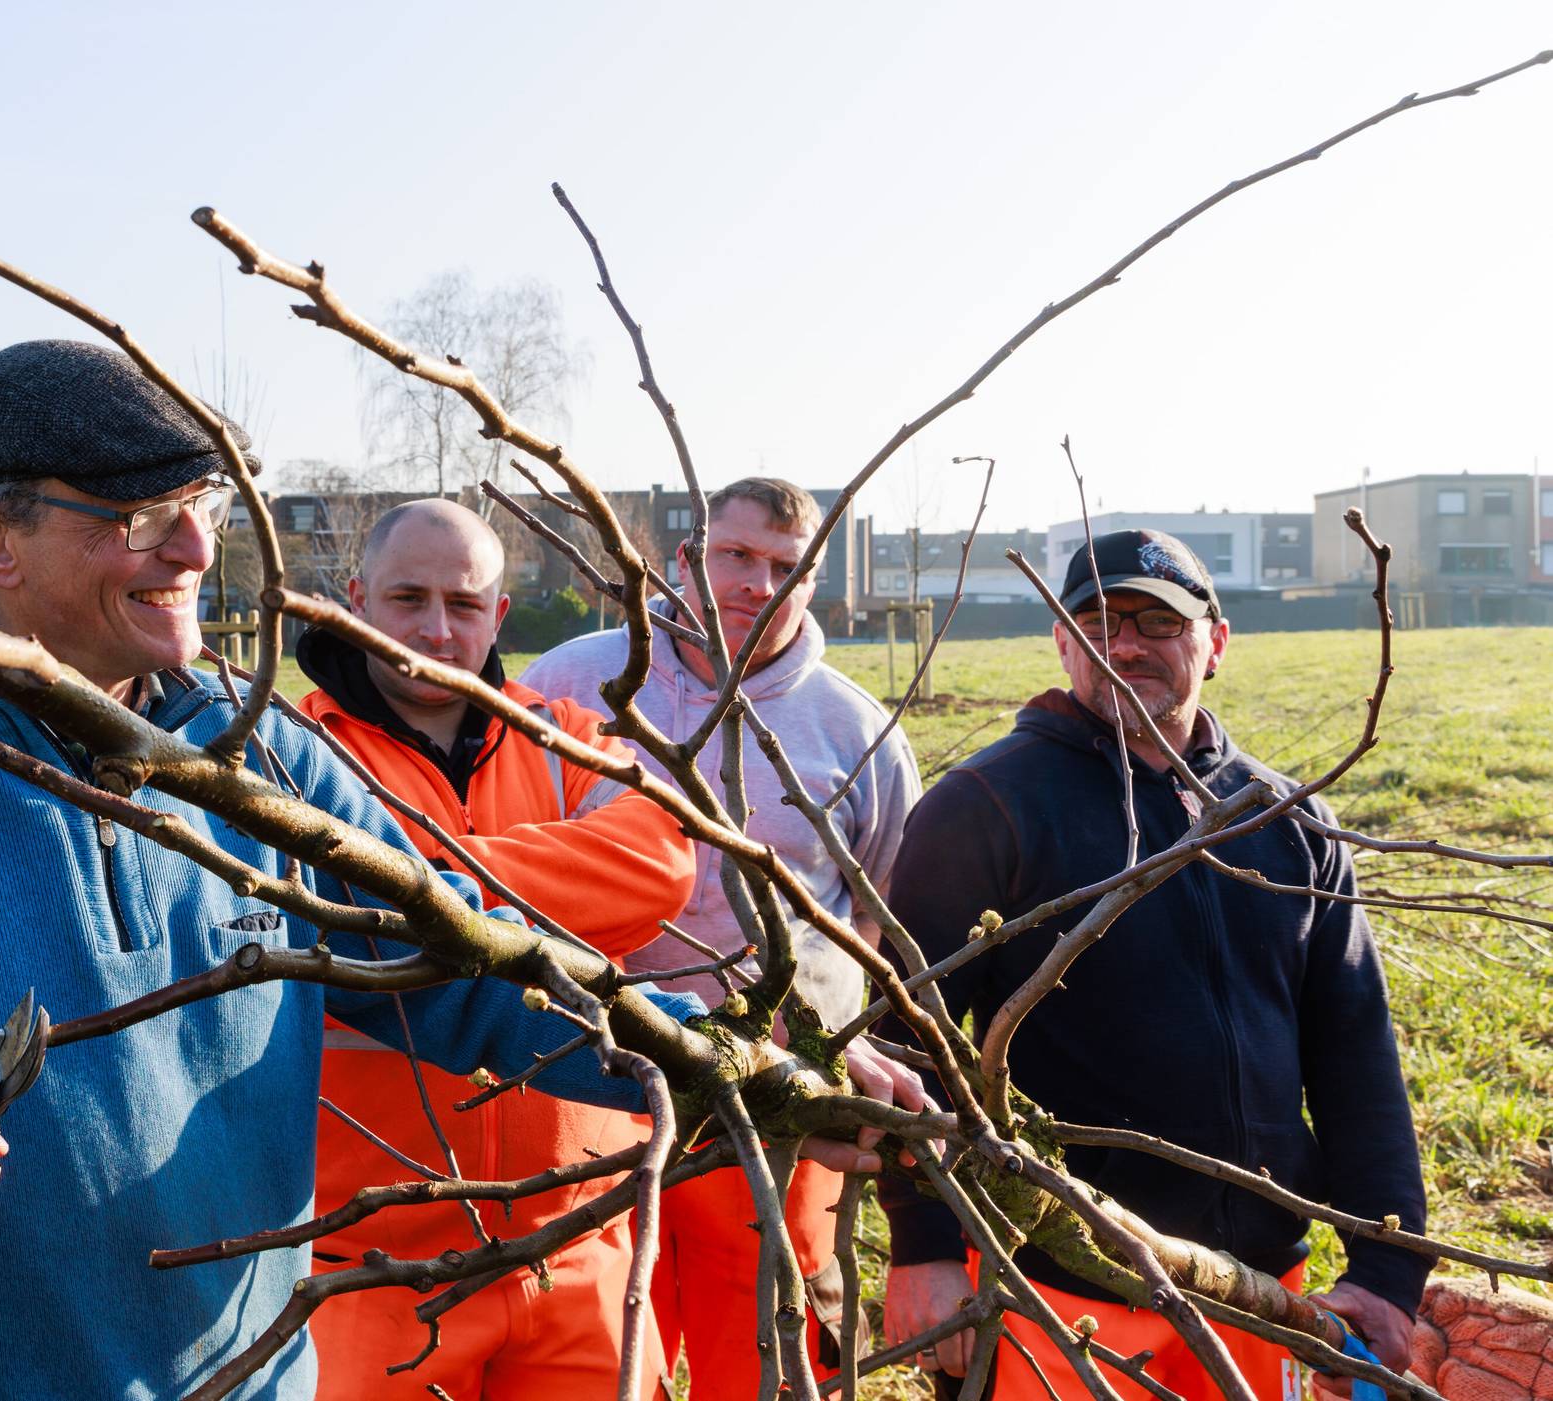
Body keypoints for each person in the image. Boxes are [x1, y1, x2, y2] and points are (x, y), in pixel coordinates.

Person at [0, 340, 715, 1401]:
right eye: (138, 514)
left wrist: (720, 1068)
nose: (199, 548)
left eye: (199, 505)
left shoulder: (268, 766)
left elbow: (467, 972)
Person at [878, 529, 1427, 1399]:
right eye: (1093, 621)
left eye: (1156, 621)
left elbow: (1356, 1053)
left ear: (1215, 640)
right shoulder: (985, 806)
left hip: (1261, 1295)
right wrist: (924, 1246)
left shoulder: (1287, 821)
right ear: (1061, 642)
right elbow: (910, 1045)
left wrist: (1389, 1273)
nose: (1123, 643)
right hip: (1055, 1289)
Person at [523, 477, 925, 1396]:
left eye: (787, 568)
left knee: (777, 1353)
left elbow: (878, 913)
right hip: (603, 1085)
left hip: (780, 1100)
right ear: (682, 564)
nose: (757, 584)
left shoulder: (855, 730)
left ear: (816, 583)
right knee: (604, 1351)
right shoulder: (571, 683)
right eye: (735, 557)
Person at [296, 498, 695, 1398]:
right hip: (369, 1261)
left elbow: (660, 861)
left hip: (577, 1240)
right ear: (357, 599)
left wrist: (418, 876)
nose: (437, 629)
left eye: (465, 604)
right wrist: (547, 894)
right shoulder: (295, 760)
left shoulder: (568, 739)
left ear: (500, 615)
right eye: (408, 597)